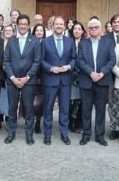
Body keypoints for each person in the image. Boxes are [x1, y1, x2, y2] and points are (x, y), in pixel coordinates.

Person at [77, 18, 116, 146]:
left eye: (96, 27)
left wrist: (101, 73)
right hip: (87, 80)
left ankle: (99, 135)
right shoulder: (83, 43)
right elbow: (80, 61)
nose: (93, 29)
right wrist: (91, 73)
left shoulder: (108, 42)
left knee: (100, 110)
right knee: (86, 110)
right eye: (91, 28)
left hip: (102, 80)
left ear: (100, 29)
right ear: (88, 30)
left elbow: (112, 60)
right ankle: (86, 135)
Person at [4, 14, 41, 145]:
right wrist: (13, 78)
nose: (23, 26)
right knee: (12, 109)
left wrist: (27, 77)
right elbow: (7, 60)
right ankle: (11, 133)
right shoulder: (11, 41)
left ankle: (29, 135)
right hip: (12, 81)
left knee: (29, 109)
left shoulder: (35, 41)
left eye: (25, 24)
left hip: (29, 81)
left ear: (28, 25)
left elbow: (37, 62)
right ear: (17, 25)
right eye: (21, 24)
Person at [41, 16, 76, 145]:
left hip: (65, 80)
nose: (59, 26)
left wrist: (68, 66)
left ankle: (64, 134)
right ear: (52, 26)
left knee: (65, 109)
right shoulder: (45, 42)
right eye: (57, 24)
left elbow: (74, 58)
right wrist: (51, 68)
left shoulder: (70, 41)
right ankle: (47, 135)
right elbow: (41, 60)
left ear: (65, 26)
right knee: (48, 108)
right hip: (50, 80)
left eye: (61, 24)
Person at [106, 14, 119, 141]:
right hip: (111, 76)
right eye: (114, 22)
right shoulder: (106, 38)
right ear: (111, 24)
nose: (117, 24)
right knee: (112, 104)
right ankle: (114, 128)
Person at [68, 22, 86, 133]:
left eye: (79, 29)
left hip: (83, 75)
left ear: (82, 31)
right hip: (70, 75)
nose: (77, 31)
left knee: (82, 101)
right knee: (70, 101)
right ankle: (70, 123)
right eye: (75, 28)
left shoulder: (86, 43)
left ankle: (79, 124)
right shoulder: (68, 42)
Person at [31, 24, 46, 133]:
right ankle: (30, 120)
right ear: (34, 32)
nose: (39, 32)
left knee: (40, 102)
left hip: (44, 77)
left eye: (41, 30)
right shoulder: (30, 43)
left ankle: (38, 121)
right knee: (31, 100)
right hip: (31, 76)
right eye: (37, 30)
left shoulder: (46, 43)